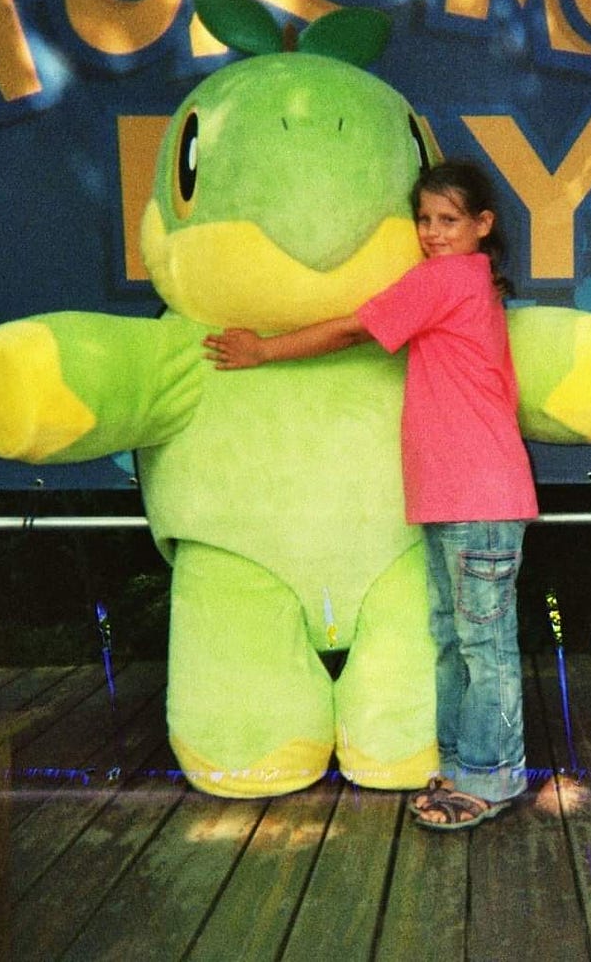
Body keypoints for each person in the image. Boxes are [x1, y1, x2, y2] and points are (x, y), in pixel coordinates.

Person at [204, 161, 536, 830]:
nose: (434, 234)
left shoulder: (448, 278)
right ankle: (466, 764)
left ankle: (495, 775)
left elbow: (355, 327)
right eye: (424, 220)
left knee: (482, 645)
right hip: (454, 497)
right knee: (452, 640)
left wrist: (264, 351)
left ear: (482, 225)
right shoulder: (464, 280)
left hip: (481, 497)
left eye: (449, 221)